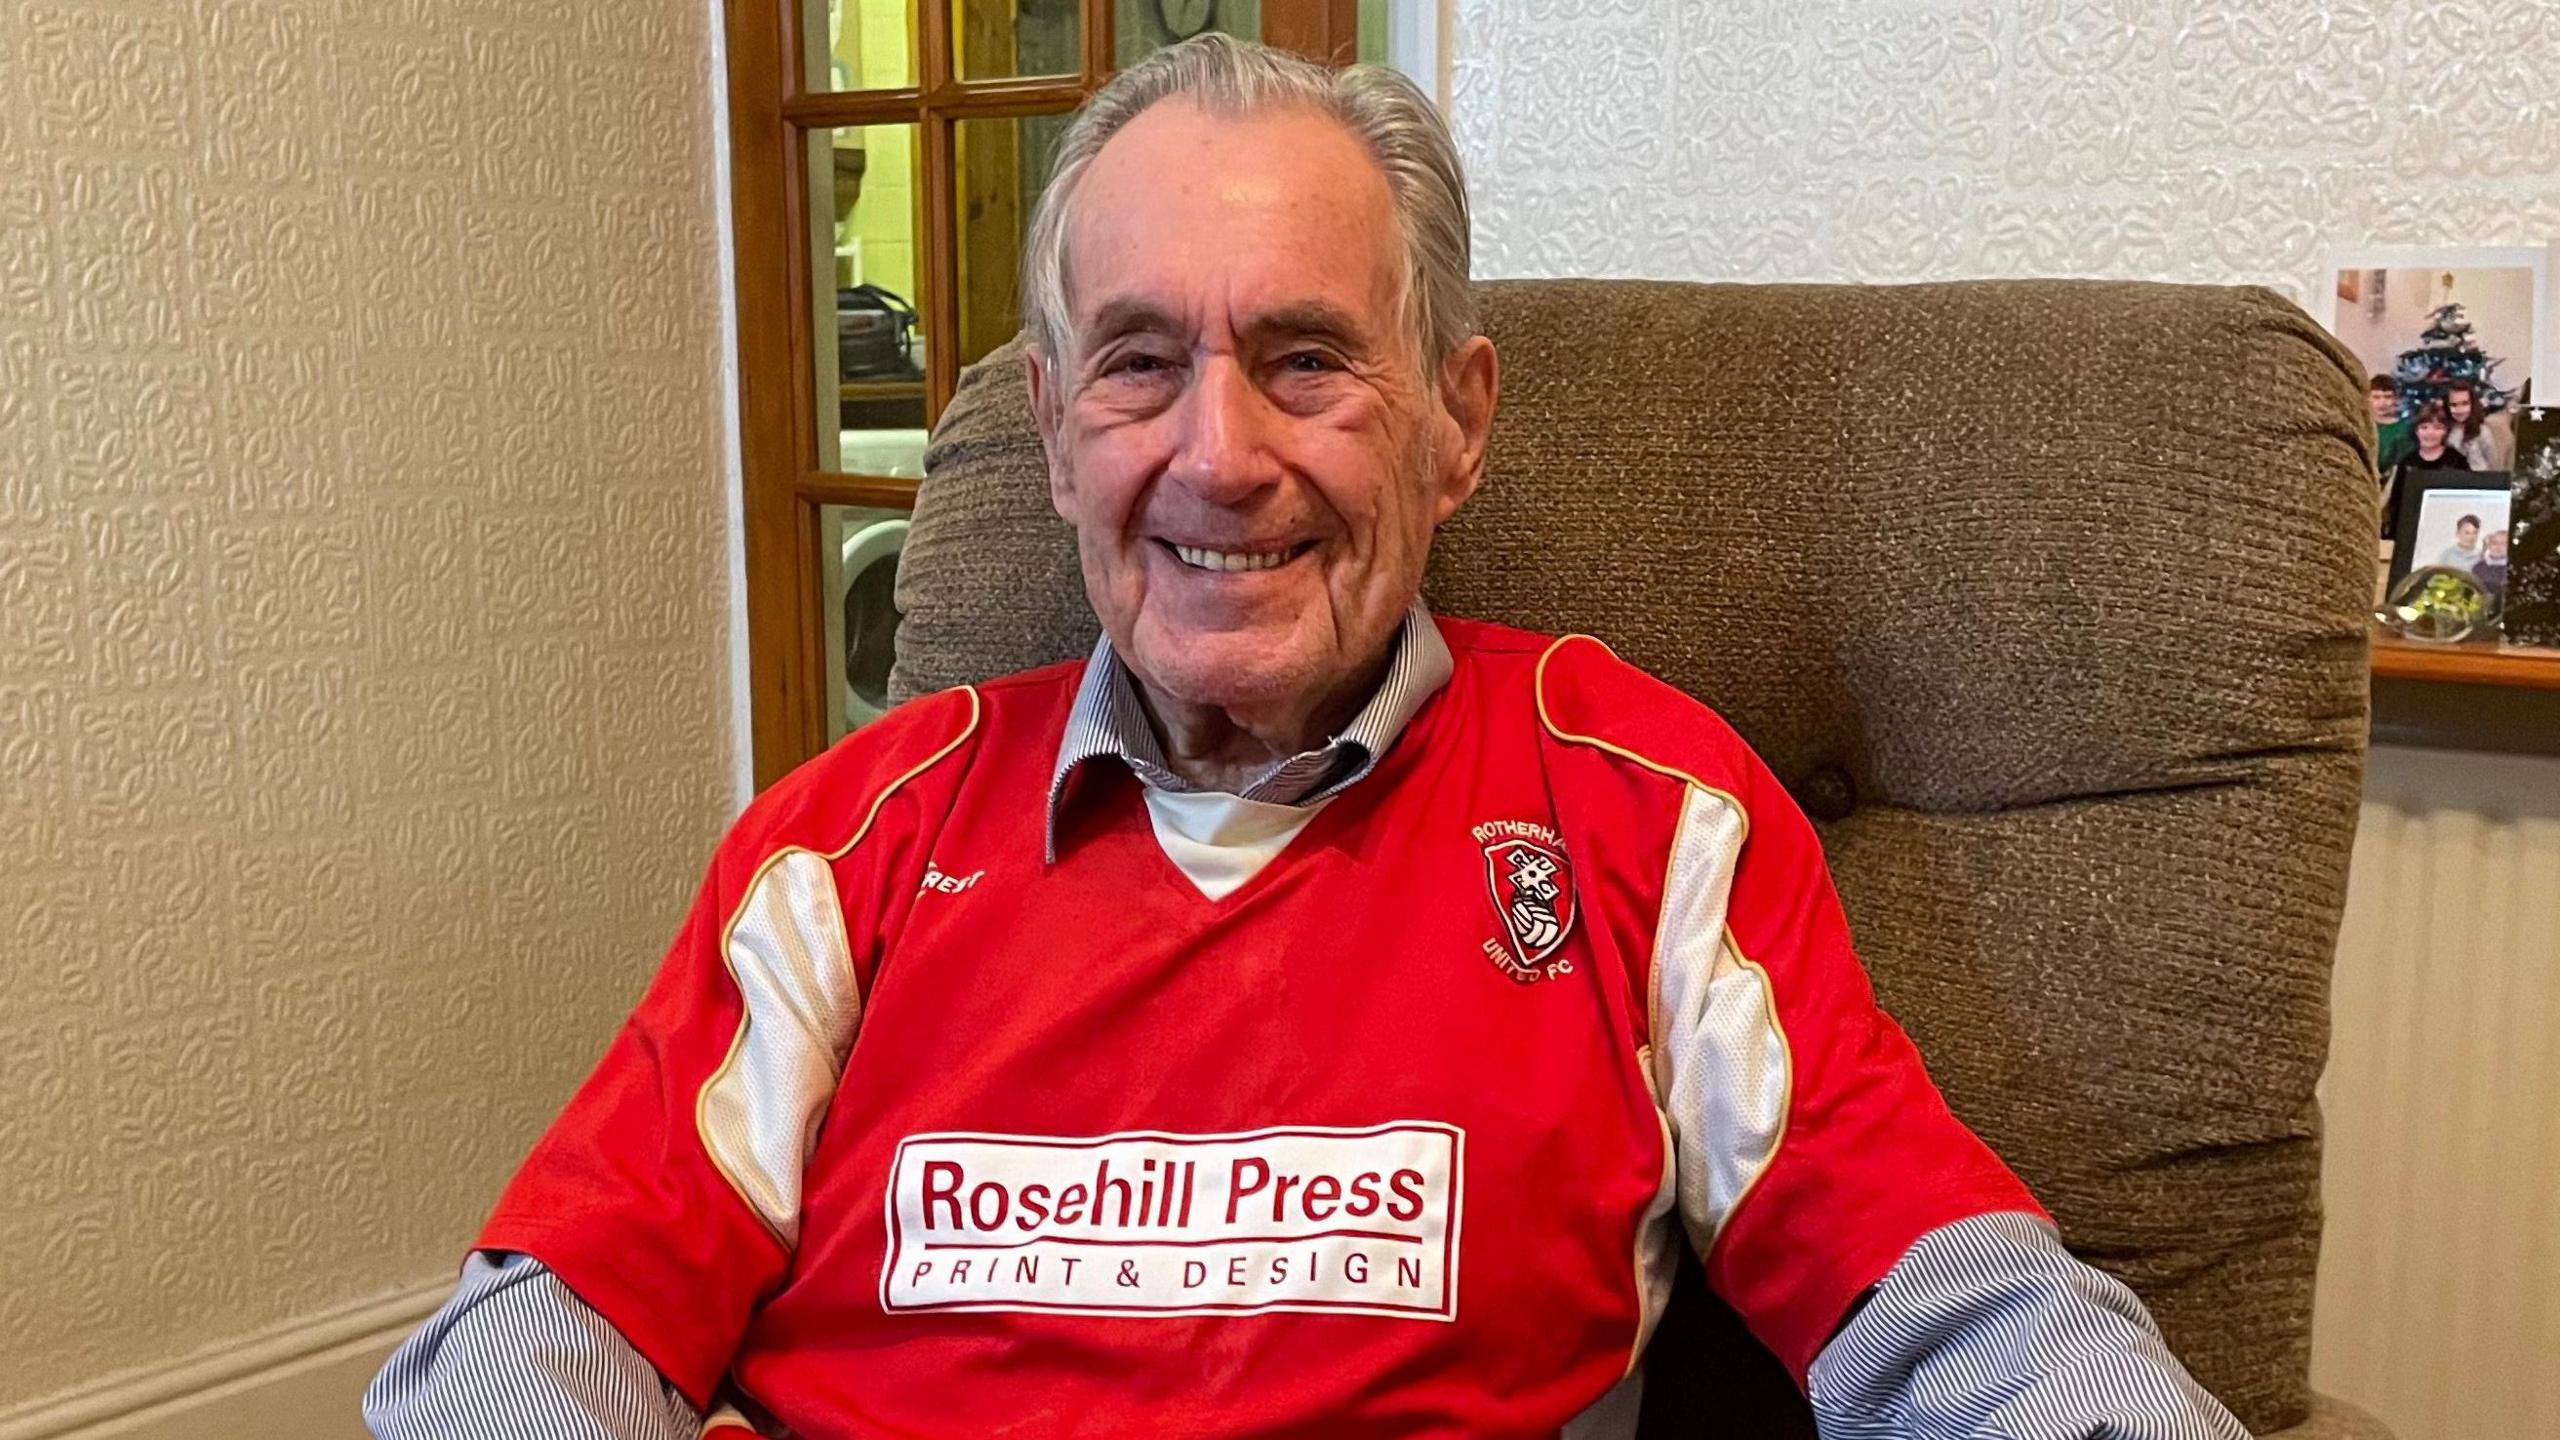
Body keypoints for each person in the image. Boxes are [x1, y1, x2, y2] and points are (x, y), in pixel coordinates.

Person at [365, 36, 2249, 1440]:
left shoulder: (1636, 808)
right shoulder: (850, 838)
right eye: (1137, 362)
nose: (1217, 455)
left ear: (1454, 420)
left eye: (1306, 358)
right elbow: (559, 1325)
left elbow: (1955, 1308)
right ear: (1052, 425)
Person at [2445, 378, 2509, 471]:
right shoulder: (2445, 430)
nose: (2459, 410)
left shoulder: (2482, 431)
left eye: (2464, 403)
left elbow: (2494, 465)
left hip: (2479, 481)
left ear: (2472, 404)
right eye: (2454, 405)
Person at [2369, 373, 2410, 467]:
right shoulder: (2362, 425)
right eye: (2376, 397)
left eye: (2387, 397)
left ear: (2396, 399)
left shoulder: (2405, 429)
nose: (2382, 402)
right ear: (2368, 398)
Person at [2476, 528, 2510, 596]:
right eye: (2495, 543)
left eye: (2503, 544)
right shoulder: (2478, 567)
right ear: (2489, 545)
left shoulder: (2512, 570)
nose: (2498, 547)